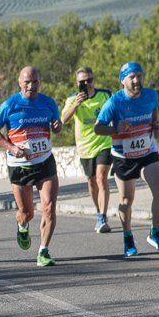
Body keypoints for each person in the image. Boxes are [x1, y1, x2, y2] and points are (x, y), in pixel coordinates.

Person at [0, 66, 62, 267]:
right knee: (26, 212)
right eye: (27, 82)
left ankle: (43, 251)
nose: (31, 85)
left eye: (35, 82)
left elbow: (57, 125)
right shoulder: (10, 104)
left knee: (49, 207)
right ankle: (22, 225)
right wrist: (10, 147)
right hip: (19, 165)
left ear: (40, 82)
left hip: (44, 161)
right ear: (20, 83)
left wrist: (57, 126)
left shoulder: (48, 103)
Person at [94, 62, 159, 257]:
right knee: (126, 200)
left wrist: (157, 127)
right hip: (123, 156)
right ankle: (128, 237)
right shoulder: (114, 103)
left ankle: (155, 233)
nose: (137, 80)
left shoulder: (152, 95)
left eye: (139, 75)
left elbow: (154, 116)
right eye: (132, 77)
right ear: (122, 81)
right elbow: (98, 127)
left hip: (147, 152)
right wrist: (115, 129)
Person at [61, 67, 113, 233]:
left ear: (93, 80)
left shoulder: (105, 95)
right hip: (85, 147)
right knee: (91, 182)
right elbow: (63, 120)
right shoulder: (72, 100)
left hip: (104, 143)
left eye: (89, 80)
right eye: (82, 82)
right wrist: (76, 104)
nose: (86, 84)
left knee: (101, 178)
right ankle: (98, 212)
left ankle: (103, 217)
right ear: (77, 83)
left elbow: (116, 111)